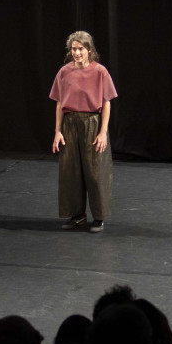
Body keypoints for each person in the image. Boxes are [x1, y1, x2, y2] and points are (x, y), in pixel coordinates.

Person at [50, 31, 116, 233]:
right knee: (71, 172)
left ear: (89, 50)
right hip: (70, 124)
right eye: (73, 49)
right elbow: (60, 102)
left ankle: (99, 217)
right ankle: (77, 215)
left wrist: (103, 132)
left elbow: (106, 103)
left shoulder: (99, 72)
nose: (77, 53)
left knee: (95, 171)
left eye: (80, 49)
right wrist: (57, 131)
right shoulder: (64, 72)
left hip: (92, 123)